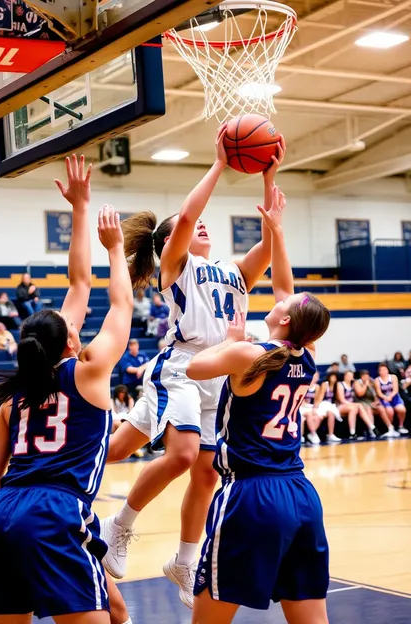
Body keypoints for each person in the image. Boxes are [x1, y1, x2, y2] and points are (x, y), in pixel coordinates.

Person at [101, 127, 285, 608]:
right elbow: (186, 215)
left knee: (193, 471)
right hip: (182, 367)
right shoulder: (176, 267)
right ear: (167, 246)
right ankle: (118, 526)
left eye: (207, 224)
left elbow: (269, 239)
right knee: (182, 456)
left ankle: (184, 560)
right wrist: (222, 164)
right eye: (191, 227)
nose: (202, 225)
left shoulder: (234, 272)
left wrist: (270, 176)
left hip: (219, 376)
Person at [0, 155, 134, 624]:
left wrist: (79, 208)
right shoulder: (88, 372)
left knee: (113, 605)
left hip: (3, 511)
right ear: (70, 340)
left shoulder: (14, 400)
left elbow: (78, 282)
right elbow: (119, 302)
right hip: (56, 512)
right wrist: (115, 247)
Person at [186, 187, 331, 624]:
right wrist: (276, 230)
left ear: (284, 319)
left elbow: (193, 367)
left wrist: (230, 342)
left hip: (251, 496)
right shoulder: (304, 356)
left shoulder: (248, 354)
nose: (280, 296)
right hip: (301, 495)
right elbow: (285, 287)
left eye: (283, 303)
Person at [336, 370, 380, 440]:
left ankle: (352, 433)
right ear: (345, 376)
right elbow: (342, 400)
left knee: (355, 409)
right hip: (341, 406)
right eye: (348, 376)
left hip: (352, 406)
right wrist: (353, 404)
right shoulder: (340, 384)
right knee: (358, 406)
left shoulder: (353, 384)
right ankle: (372, 427)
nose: (350, 377)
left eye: (351, 376)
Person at [354, 370, 398, 438]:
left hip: (371, 402)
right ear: (360, 376)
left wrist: (377, 401)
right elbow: (360, 393)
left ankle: (390, 428)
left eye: (367, 375)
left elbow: (376, 394)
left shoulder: (372, 381)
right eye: (363, 375)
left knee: (381, 408)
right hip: (362, 402)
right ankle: (372, 430)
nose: (365, 377)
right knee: (368, 409)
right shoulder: (357, 382)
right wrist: (365, 385)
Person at [375, 363, 408, 435]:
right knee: (390, 411)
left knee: (402, 410)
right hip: (384, 398)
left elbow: (396, 390)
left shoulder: (393, 377)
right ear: (379, 371)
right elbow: (379, 393)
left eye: (384, 369)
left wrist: (390, 396)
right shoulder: (377, 380)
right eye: (381, 370)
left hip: (394, 397)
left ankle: (401, 426)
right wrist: (385, 397)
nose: (383, 371)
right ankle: (391, 428)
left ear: (387, 370)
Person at [315, 372, 342, 443]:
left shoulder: (337, 386)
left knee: (331, 414)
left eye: (335, 377)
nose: (333, 379)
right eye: (332, 377)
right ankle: (313, 433)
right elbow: (320, 397)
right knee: (321, 415)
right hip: (323, 404)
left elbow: (337, 398)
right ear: (329, 377)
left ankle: (330, 435)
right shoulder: (325, 384)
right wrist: (316, 406)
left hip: (331, 405)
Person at [299, 372, 321, 445]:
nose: (315, 378)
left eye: (317, 376)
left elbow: (317, 400)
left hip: (311, 407)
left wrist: (314, 408)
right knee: (308, 415)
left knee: (318, 417)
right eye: (314, 376)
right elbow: (300, 400)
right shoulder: (304, 385)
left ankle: (310, 434)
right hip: (302, 407)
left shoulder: (317, 387)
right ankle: (313, 434)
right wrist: (308, 406)